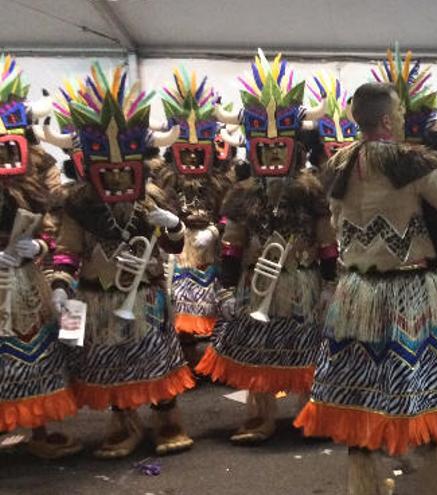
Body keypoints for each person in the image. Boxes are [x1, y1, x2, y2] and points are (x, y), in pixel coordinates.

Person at [294, 82, 437, 495]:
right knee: (434, 386)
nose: (399, 120)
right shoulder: (411, 164)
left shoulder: (337, 167)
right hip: (412, 295)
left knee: (362, 391)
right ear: (385, 119)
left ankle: (365, 486)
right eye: (396, 114)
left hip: (356, 293)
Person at [43, 63, 194, 458]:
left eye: (125, 174)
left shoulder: (154, 198)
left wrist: (175, 227)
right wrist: (60, 288)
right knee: (108, 362)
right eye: (108, 175)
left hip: (145, 295)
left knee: (154, 356)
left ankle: (167, 421)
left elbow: (175, 249)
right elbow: (67, 252)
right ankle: (123, 422)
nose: (118, 182)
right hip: (97, 299)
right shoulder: (78, 204)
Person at [196, 50, 333, 444]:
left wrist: (329, 283)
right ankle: (261, 415)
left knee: (307, 346)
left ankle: (313, 411)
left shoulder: (311, 189)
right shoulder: (241, 192)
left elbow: (326, 240)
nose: (272, 155)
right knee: (257, 348)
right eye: (265, 148)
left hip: (301, 283)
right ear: (253, 147)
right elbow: (233, 244)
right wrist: (224, 286)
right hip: (254, 284)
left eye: (280, 148)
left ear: (294, 147)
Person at [0, 54, 80, 459]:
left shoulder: (40, 166)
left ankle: (38, 428)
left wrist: (40, 246)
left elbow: (54, 217)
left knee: (36, 348)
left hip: (28, 273)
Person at [152, 68, 234, 370]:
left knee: (219, 307)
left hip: (213, 248)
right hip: (177, 251)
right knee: (178, 307)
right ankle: (185, 358)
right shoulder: (162, 178)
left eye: (197, 153)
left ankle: (215, 361)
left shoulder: (223, 178)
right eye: (185, 153)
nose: (191, 160)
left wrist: (217, 230)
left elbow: (229, 212)